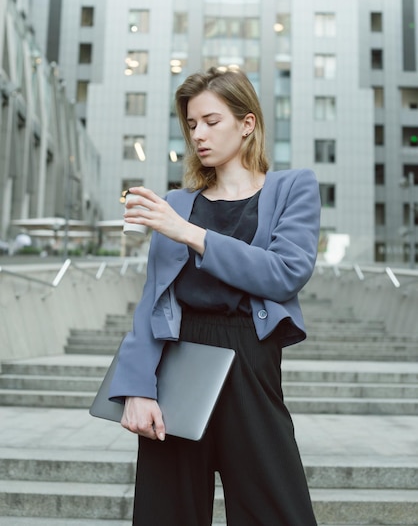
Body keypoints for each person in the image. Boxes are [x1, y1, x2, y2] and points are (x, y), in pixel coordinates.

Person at [109, 67, 320, 526]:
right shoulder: (177, 203)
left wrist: (189, 234)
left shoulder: (292, 188)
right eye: (190, 124)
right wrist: (137, 388)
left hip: (250, 355)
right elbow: (153, 301)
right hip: (178, 356)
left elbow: (285, 274)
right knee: (168, 512)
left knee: (278, 511)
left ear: (247, 124)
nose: (198, 134)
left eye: (211, 121)